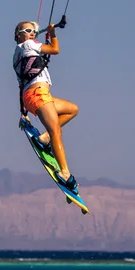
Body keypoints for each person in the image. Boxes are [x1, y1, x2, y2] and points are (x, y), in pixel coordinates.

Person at [13, 21, 79, 193]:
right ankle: (65, 173)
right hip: (38, 95)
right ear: (18, 35)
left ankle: (44, 139)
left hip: (34, 96)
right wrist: (53, 34)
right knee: (56, 131)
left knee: (72, 109)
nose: (32, 33)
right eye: (28, 30)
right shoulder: (28, 44)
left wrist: (23, 113)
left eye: (34, 30)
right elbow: (55, 50)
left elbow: (21, 85)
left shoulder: (17, 55)